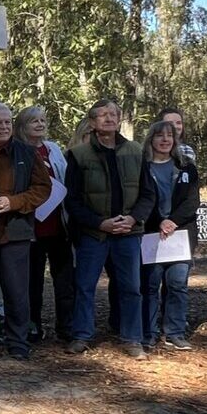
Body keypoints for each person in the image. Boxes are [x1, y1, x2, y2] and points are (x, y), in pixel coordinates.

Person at [64, 98, 148, 359]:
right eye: (102, 115)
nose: (109, 118)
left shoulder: (135, 151)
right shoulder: (78, 155)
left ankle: (132, 338)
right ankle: (82, 335)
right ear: (92, 123)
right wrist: (99, 222)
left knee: (131, 287)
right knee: (85, 286)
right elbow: (72, 200)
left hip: (127, 234)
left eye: (113, 114)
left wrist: (133, 219)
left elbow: (148, 194)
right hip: (94, 234)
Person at [0, 102, 51, 360]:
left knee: (17, 290)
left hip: (14, 231)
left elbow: (43, 188)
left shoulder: (27, 153)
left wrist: (14, 202)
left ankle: (17, 342)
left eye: (8, 122)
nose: (4, 126)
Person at [137, 119, 199, 351]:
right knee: (150, 284)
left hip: (180, 234)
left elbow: (192, 202)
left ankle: (175, 332)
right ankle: (149, 332)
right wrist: (158, 221)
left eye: (169, 136)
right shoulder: (142, 167)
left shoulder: (186, 167)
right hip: (151, 232)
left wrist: (173, 221)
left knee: (177, 284)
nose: (164, 140)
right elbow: (140, 200)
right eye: (159, 135)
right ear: (150, 139)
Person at [15, 105, 75, 343]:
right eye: (33, 121)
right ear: (23, 126)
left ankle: (67, 327)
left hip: (58, 224)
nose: (39, 125)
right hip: (32, 227)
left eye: (42, 120)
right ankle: (33, 327)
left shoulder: (53, 149)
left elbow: (65, 177)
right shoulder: (18, 151)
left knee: (65, 281)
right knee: (33, 282)